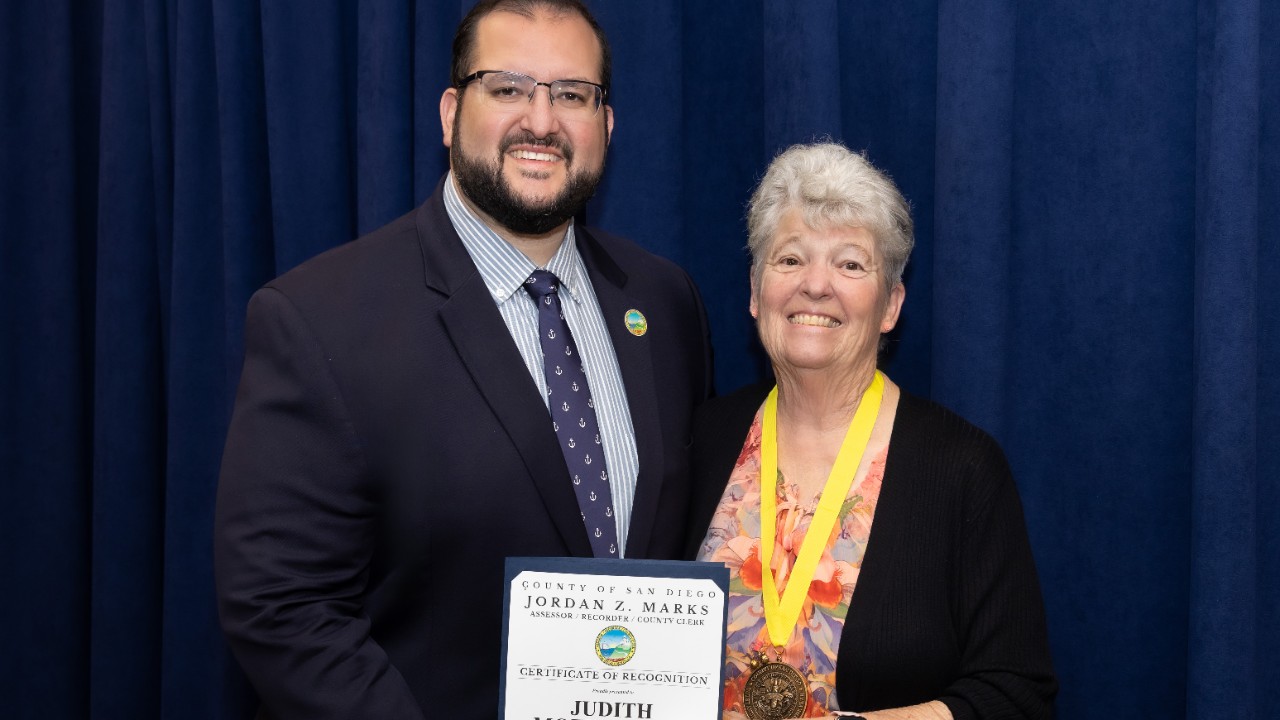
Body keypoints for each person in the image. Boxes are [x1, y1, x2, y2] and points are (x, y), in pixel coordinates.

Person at [213, 1, 712, 717]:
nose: (541, 121)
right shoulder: (320, 319)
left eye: (572, 95)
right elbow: (282, 605)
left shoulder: (664, 304)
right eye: (507, 88)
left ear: (606, 125)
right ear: (450, 114)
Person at [685, 142, 1056, 720]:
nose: (815, 284)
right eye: (790, 259)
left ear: (891, 305)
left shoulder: (963, 469)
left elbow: (1016, 693)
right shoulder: (702, 439)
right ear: (755, 291)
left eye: (851, 264)